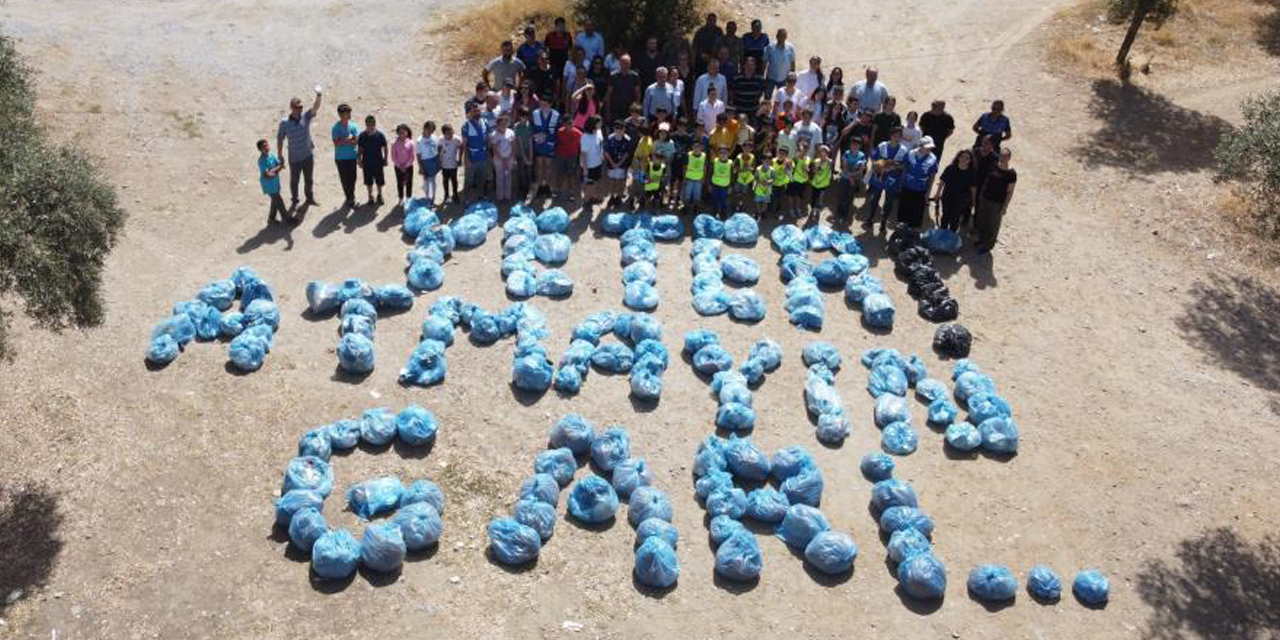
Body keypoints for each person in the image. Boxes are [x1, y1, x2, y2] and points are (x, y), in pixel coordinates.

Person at [275, 88, 322, 209]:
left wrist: (319, 95)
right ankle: (295, 200)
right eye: (297, 107)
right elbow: (280, 138)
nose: (300, 109)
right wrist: (280, 154)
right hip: (294, 158)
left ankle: (309, 198)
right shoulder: (284, 123)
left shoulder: (305, 117)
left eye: (301, 107)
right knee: (294, 181)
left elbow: (316, 107)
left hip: (307, 155)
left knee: (309, 179)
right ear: (291, 107)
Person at [974, 147, 1016, 253]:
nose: (1003, 158)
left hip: (998, 203)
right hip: (985, 198)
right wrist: (981, 196)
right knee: (983, 220)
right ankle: (981, 240)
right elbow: (986, 181)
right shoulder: (993, 166)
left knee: (993, 224)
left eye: (1005, 156)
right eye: (1001, 155)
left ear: (1009, 158)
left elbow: (1010, 191)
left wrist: (1005, 206)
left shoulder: (1011, 173)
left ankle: (988, 245)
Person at [866, 126, 908, 231]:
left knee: (889, 202)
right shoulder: (882, 145)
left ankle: (883, 222)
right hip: (879, 177)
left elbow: (905, 166)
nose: (896, 138)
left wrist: (894, 166)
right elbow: (873, 157)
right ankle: (870, 218)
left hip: (893, 180)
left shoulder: (904, 150)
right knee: (874, 199)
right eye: (895, 136)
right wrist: (881, 165)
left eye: (899, 136)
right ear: (891, 136)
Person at [932, 147, 977, 231]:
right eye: (962, 156)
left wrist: (973, 201)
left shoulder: (971, 172)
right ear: (958, 157)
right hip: (947, 196)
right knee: (945, 217)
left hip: (961, 200)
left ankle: (951, 238)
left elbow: (973, 188)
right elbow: (942, 182)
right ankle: (942, 235)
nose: (964, 159)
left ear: (970, 160)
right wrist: (937, 194)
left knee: (955, 219)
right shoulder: (950, 168)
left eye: (967, 158)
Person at [898, 136, 938, 228]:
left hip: (921, 189)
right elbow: (904, 169)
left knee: (917, 208)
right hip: (907, 186)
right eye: (927, 147)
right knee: (905, 205)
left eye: (931, 147)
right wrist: (901, 183)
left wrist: (928, 192)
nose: (929, 149)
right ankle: (902, 224)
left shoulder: (933, 159)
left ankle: (913, 228)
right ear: (921, 146)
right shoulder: (910, 154)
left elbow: (932, 176)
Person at [531, 95, 561, 198]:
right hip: (539, 144)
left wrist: (547, 136)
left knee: (548, 166)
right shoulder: (535, 113)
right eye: (541, 104)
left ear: (550, 104)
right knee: (539, 166)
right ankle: (539, 186)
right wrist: (538, 137)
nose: (543, 106)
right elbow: (532, 128)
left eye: (545, 104)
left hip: (550, 145)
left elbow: (558, 130)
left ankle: (547, 186)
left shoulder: (556, 115)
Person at [461, 105, 492, 203]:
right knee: (469, 180)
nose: (477, 113)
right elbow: (465, 145)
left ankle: (481, 196)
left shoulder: (485, 123)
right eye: (474, 111)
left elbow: (488, 140)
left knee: (482, 178)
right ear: (470, 113)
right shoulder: (466, 126)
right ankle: (466, 198)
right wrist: (466, 159)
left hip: (483, 156)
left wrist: (488, 154)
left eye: (478, 111)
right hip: (472, 157)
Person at [331, 103, 360, 206]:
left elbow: (356, 140)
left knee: (353, 178)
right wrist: (348, 139)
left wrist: (345, 140)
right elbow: (336, 143)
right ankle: (350, 198)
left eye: (349, 112)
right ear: (341, 115)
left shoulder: (353, 126)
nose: (349, 115)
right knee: (345, 179)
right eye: (347, 113)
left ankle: (350, 196)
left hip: (352, 156)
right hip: (341, 158)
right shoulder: (335, 128)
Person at [356, 115, 388, 205]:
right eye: (368, 123)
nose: (371, 125)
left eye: (372, 123)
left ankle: (379, 195)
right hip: (367, 163)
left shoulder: (380, 135)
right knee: (368, 181)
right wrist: (359, 160)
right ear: (366, 124)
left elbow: (385, 147)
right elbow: (360, 149)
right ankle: (370, 196)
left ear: (375, 124)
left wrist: (385, 159)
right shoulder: (362, 136)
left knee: (379, 181)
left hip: (378, 163)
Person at [834, 137, 867, 219]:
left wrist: (851, 177)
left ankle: (845, 212)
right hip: (846, 178)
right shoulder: (846, 153)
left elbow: (861, 171)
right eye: (853, 144)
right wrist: (851, 178)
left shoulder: (862, 155)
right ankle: (839, 211)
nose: (855, 146)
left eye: (857, 144)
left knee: (850, 197)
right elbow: (844, 168)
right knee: (842, 195)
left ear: (860, 146)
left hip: (854, 179)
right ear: (850, 145)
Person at [256, 139, 288, 223]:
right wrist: (277, 168)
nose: (266, 147)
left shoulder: (271, 155)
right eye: (264, 147)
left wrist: (273, 170)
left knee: (275, 201)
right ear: (260, 150)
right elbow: (268, 175)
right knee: (279, 202)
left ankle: (271, 218)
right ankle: (286, 218)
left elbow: (281, 165)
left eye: (267, 145)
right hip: (269, 186)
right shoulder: (261, 161)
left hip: (275, 183)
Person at [604, 55, 641, 123]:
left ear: (630, 64)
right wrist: (608, 111)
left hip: (630, 110)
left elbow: (638, 93)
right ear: (620, 63)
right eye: (623, 63)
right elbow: (609, 94)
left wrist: (637, 110)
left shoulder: (635, 76)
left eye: (627, 63)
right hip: (616, 109)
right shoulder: (613, 76)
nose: (625, 65)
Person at [489, 114, 517, 203]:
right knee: (499, 177)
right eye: (501, 124)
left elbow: (513, 145)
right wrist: (501, 157)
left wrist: (510, 156)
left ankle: (507, 196)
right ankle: (500, 197)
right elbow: (493, 148)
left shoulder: (511, 132)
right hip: (498, 159)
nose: (503, 126)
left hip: (509, 158)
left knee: (508, 177)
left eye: (505, 124)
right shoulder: (494, 134)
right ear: (498, 124)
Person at [603, 119, 631, 206]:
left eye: (620, 128)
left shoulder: (627, 139)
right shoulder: (610, 138)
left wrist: (619, 164)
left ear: (624, 129)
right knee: (611, 181)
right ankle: (611, 197)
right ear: (614, 129)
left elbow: (627, 153)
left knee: (620, 181)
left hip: (621, 165)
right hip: (611, 164)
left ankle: (618, 196)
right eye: (616, 128)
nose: (618, 130)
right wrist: (612, 163)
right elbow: (606, 152)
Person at [554, 117, 582, 202]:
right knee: (559, 174)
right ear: (564, 124)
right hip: (561, 156)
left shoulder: (578, 133)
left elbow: (581, 146)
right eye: (568, 123)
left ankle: (571, 193)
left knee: (571, 175)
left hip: (572, 157)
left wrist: (579, 159)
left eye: (572, 123)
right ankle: (557, 191)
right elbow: (557, 143)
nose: (570, 125)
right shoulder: (559, 132)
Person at [578, 115, 605, 204]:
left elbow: (600, 145)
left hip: (597, 163)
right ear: (593, 124)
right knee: (590, 185)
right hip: (589, 166)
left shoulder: (599, 132)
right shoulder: (585, 137)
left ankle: (591, 197)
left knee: (595, 182)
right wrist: (585, 170)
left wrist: (602, 156)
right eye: (599, 123)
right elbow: (583, 155)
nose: (601, 124)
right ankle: (586, 202)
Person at [730, 56, 766, 121]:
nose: (750, 67)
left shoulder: (760, 79)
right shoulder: (737, 78)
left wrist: (762, 108)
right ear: (744, 66)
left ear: (755, 67)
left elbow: (764, 94)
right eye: (748, 65)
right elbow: (732, 93)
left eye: (752, 65)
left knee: (753, 130)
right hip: (739, 111)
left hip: (754, 111)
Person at [391, 124, 416, 205]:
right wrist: (399, 166)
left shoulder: (411, 142)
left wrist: (406, 166)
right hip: (398, 167)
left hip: (408, 167)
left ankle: (408, 198)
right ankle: (401, 198)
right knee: (400, 183)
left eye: (403, 132)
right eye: (400, 132)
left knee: (409, 182)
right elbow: (393, 157)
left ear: (407, 132)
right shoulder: (394, 143)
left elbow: (412, 156)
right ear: (397, 133)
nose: (402, 134)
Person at [808, 144, 834, 220]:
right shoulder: (816, 161)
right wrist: (816, 169)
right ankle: (812, 210)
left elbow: (830, 169)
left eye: (824, 152)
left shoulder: (829, 162)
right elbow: (813, 172)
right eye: (821, 152)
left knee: (820, 198)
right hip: (815, 183)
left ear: (827, 153)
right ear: (819, 153)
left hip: (823, 184)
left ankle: (818, 210)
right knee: (814, 197)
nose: (822, 154)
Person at [416, 121, 440, 203]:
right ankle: (427, 197)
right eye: (429, 130)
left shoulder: (434, 137)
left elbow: (437, 148)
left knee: (433, 180)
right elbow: (418, 155)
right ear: (424, 128)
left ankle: (433, 197)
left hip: (434, 160)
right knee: (426, 181)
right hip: (425, 162)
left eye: (432, 130)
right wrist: (420, 167)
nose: (431, 132)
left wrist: (438, 162)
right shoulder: (419, 140)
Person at [513, 107, 533, 200]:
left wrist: (531, 157)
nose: (524, 119)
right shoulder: (517, 127)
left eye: (526, 117)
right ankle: (521, 190)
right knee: (521, 172)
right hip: (520, 153)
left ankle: (528, 190)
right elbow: (519, 143)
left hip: (529, 152)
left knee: (528, 172)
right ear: (519, 117)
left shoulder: (529, 126)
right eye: (522, 117)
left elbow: (530, 142)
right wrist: (525, 158)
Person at [681, 139, 707, 209]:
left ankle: (696, 207)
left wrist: (704, 178)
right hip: (689, 178)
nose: (696, 148)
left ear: (701, 147)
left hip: (699, 179)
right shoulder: (688, 155)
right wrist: (684, 178)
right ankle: (685, 207)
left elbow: (705, 168)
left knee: (697, 195)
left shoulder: (704, 156)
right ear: (692, 147)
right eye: (694, 146)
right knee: (687, 194)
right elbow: (685, 167)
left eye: (698, 146)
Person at [438, 124, 462, 203]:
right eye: (448, 133)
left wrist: (459, 159)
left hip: (453, 163)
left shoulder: (456, 139)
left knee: (454, 180)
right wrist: (439, 161)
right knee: (445, 180)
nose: (450, 134)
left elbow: (461, 148)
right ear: (444, 133)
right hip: (444, 164)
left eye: (451, 131)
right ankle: (446, 195)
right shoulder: (441, 139)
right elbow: (439, 149)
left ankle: (455, 194)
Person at [708, 145, 734, 216]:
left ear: (728, 154)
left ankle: (723, 212)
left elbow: (732, 176)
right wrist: (709, 184)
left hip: (725, 185)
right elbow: (710, 173)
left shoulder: (730, 163)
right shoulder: (714, 162)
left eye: (725, 153)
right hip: (715, 184)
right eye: (721, 153)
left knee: (723, 200)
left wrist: (731, 186)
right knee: (714, 199)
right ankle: (714, 211)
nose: (723, 154)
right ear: (718, 154)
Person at [769, 145, 791, 217]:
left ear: (786, 155)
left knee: (780, 197)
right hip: (773, 183)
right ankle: (771, 208)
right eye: (780, 153)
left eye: (783, 154)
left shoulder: (788, 163)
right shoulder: (773, 161)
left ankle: (778, 208)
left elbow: (790, 173)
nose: (781, 155)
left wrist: (786, 168)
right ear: (777, 153)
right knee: (772, 196)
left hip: (782, 184)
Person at [734, 139, 756, 209]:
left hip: (747, 179)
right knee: (737, 192)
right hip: (738, 178)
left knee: (744, 193)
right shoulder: (738, 157)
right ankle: (737, 204)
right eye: (745, 147)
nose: (747, 149)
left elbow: (753, 168)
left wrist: (748, 168)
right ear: (742, 148)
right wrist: (744, 169)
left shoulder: (753, 157)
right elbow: (735, 169)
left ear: (751, 149)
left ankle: (742, 205)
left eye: (749, 148)